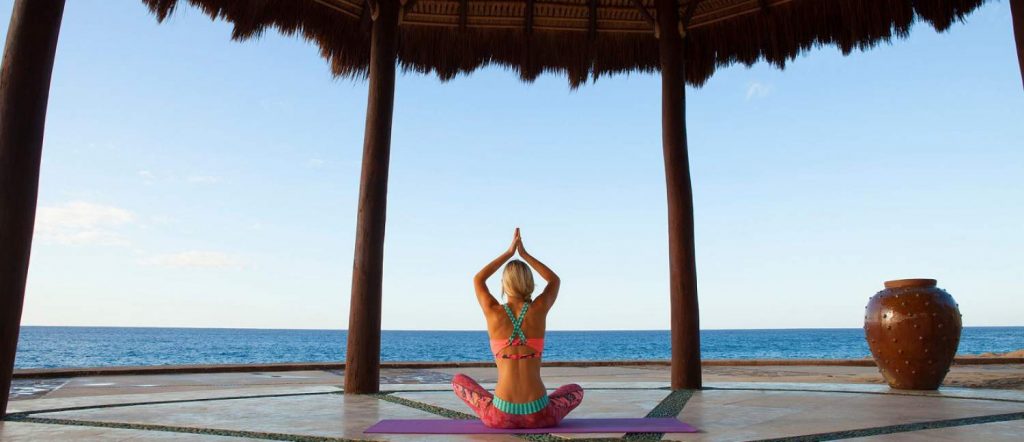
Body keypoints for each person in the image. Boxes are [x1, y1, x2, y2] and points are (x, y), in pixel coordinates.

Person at [451, 228, 584, 428]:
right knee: (575, 390)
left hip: (501, 416)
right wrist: (524, 255)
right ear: (530, 283)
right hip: (539, 415)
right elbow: (554, 280)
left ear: (504, 284)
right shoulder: (539, 309)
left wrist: (508, 253)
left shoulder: (493, 311)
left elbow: (478, 279)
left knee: (458, 381)